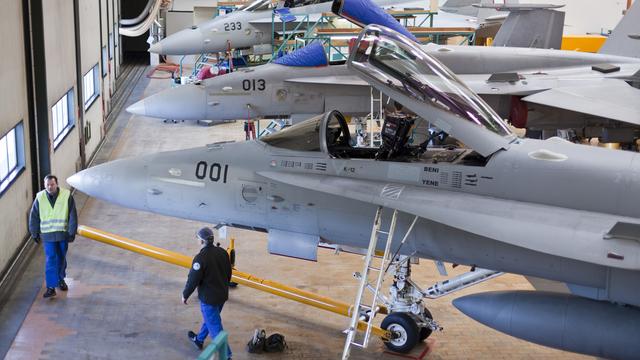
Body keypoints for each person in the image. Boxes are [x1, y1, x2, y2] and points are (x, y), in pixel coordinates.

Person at [183, 227, 232, 357]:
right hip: (222, 295)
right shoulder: (222, 252)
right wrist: (223, 287)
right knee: (211, 319)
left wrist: (185, 295)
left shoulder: (200, 258)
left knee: (215, 328)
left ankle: (227, 356)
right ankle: (199, 340)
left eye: (198, 238)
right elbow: (229, 273)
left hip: (209, 299)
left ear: (201, 241)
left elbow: (193, 279)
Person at [29, 174, 78, 299]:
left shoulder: (66, 195)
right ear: (44, 186)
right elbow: (33, 216)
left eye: (52, 184)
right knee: (51, 258)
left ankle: (61, 279)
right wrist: (34, 232)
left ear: (57, 184)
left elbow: (73, 215)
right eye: (47, 185)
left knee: (61, 258)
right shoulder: (40, 197)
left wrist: (72, 232)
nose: (50, 187)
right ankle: (51, 287)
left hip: (62, 234)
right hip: (48, 236)